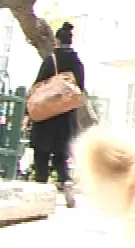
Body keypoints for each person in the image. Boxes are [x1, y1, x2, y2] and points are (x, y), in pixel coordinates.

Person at [29, 21, 84, 208]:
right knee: (61, 156)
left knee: (42, 155)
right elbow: (80, 90)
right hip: (66, 117)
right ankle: (66, 182)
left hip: (46, 116)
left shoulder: (50, 60)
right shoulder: (78, 64)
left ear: (57, 41)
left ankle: (40, 189)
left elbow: (38, 86)